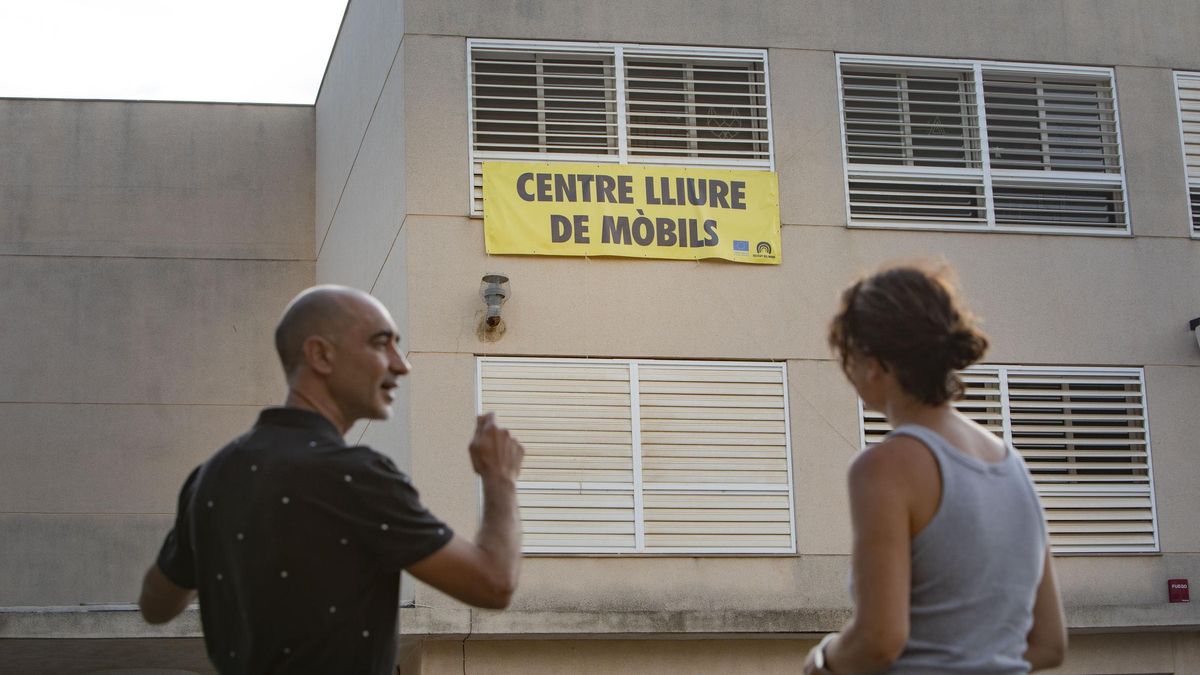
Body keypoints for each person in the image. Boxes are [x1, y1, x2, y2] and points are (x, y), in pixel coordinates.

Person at [138, 285, 525, 674]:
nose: (401, 364)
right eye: (381, 344)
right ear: (320, 355)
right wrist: (500, 478)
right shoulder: (354, 475)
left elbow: (156, 606)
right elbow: (493, 584)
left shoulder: (210, 477)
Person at [803, 265, 1067, 674]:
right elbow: (1050, 645)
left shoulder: (884, 468)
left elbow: (879, 641)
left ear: (872, 362)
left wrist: (821, 662)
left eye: (847, 357)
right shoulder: (1013, 467)